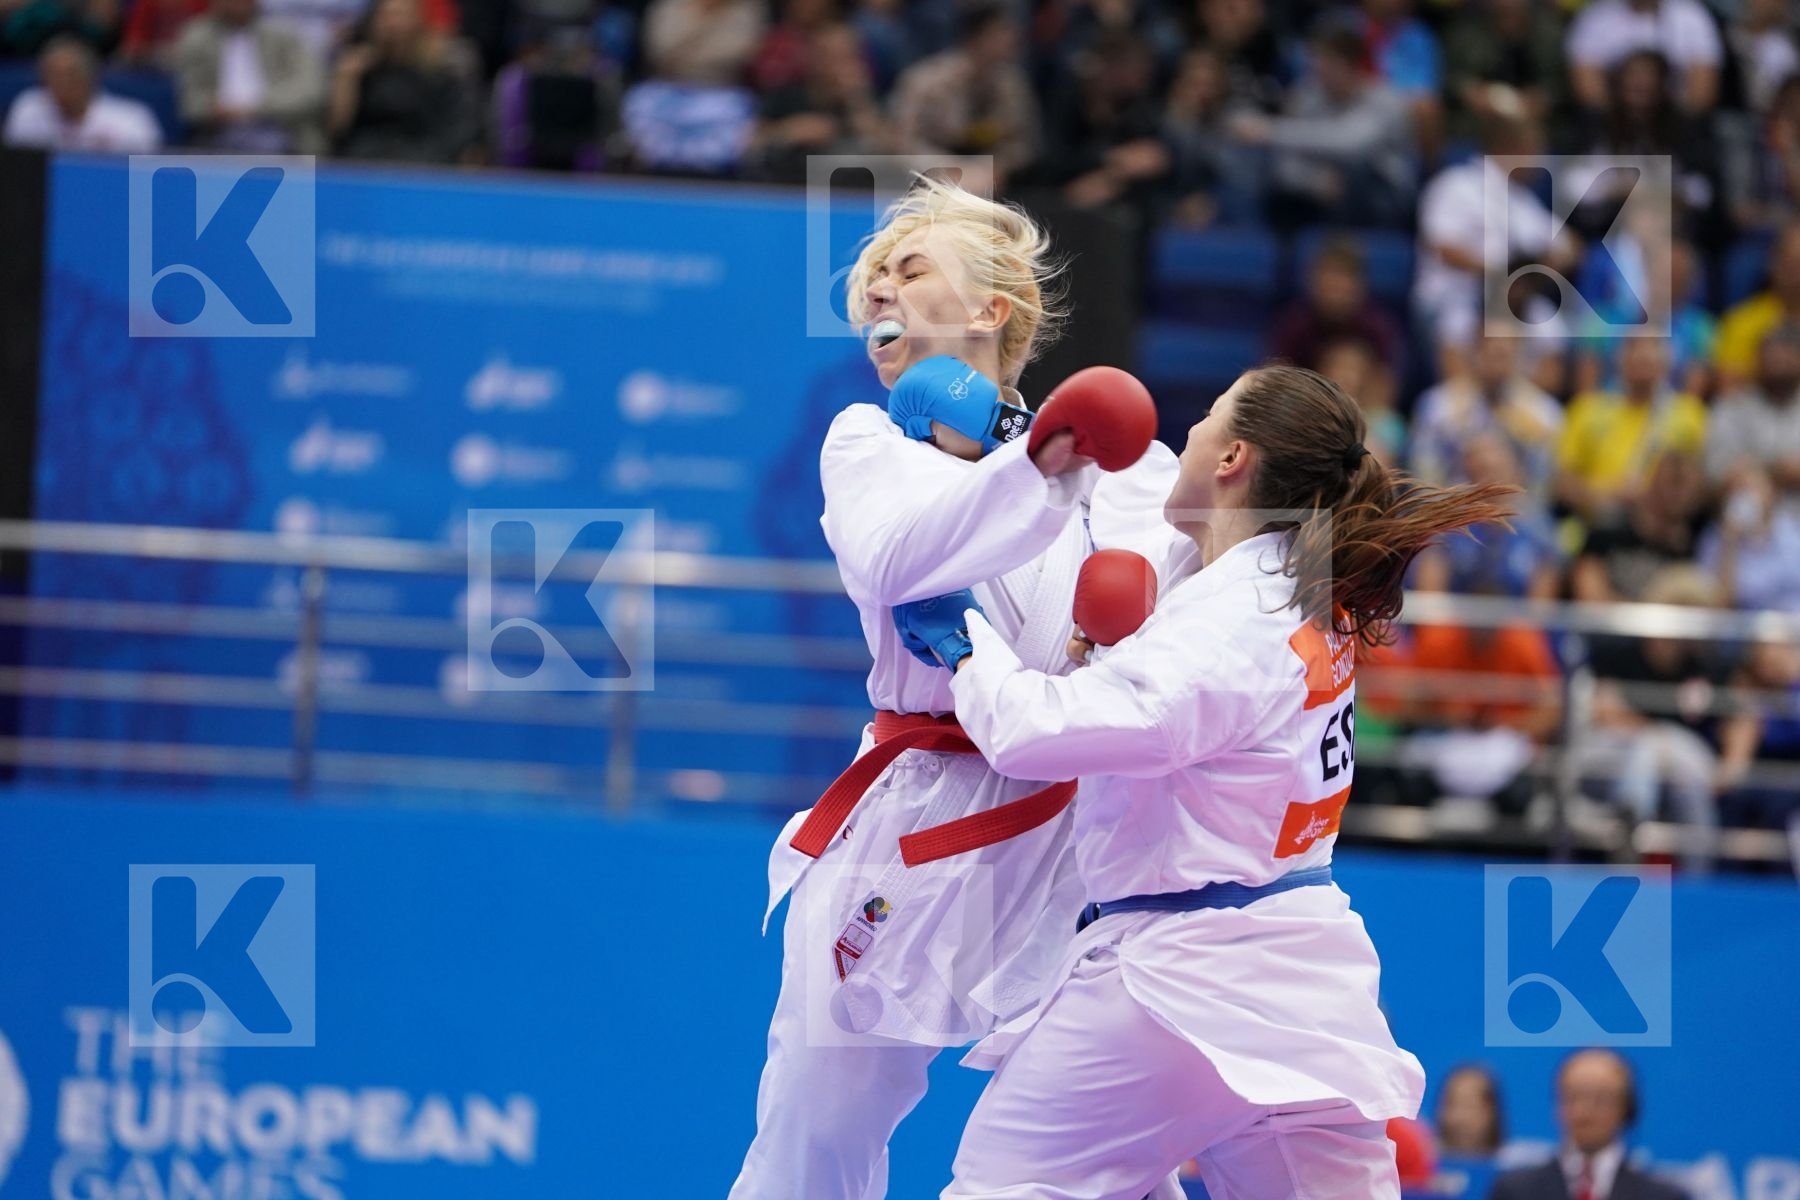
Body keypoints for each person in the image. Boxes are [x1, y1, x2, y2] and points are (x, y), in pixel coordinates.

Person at [895, 364, 1513, 1198]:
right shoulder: (1290, 584)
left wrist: (964, 642)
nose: (1186, 432)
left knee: (1006, 1186)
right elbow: (1141, 484)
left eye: (1208, 415)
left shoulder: (1231, 623)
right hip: (1302, 979)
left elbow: (1035, 732)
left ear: (1232, 460)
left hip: (1179, 984)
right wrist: (1030, 435)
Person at [729, 177, 1176, 1200]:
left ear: (991, 309)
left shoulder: (1137, 470)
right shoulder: (869, 445)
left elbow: (1221, 592)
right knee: (814, 1141)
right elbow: (898, 560)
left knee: (1110, 1149)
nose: (878, 287)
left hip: (1082, 828)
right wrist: (1042, 465)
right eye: (870, 279)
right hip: (917, 815)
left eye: (908, 267)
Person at [1489, 1049, 1688, 1200]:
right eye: (1573, 1097)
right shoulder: (1515, 1191)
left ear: (1626, 1109)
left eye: (1599, 1099)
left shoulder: (1663, 1196)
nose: (1583, 1112)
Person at [172, 0, 326, 153]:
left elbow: (311, 91)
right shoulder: (197, 37)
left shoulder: (285, 34)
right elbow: (189, 101)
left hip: (280, 127)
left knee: (272, 145)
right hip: (218, 132)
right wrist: (214, 109)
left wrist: (258, 108)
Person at [2, 35, 161, 151]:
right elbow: (16, 170)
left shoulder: (131, 120)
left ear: (91, 77)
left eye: (71, 75)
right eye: (53, 76)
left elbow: (145, 179)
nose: (62, 84)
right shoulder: (28, 109)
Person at [1435, 1064, 1506, 1158]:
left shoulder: (1515, 1164)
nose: (1458, 1116)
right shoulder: (1422, 1160)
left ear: (1490, 1112)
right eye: (1451, 1104)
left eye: (1469, 1106)